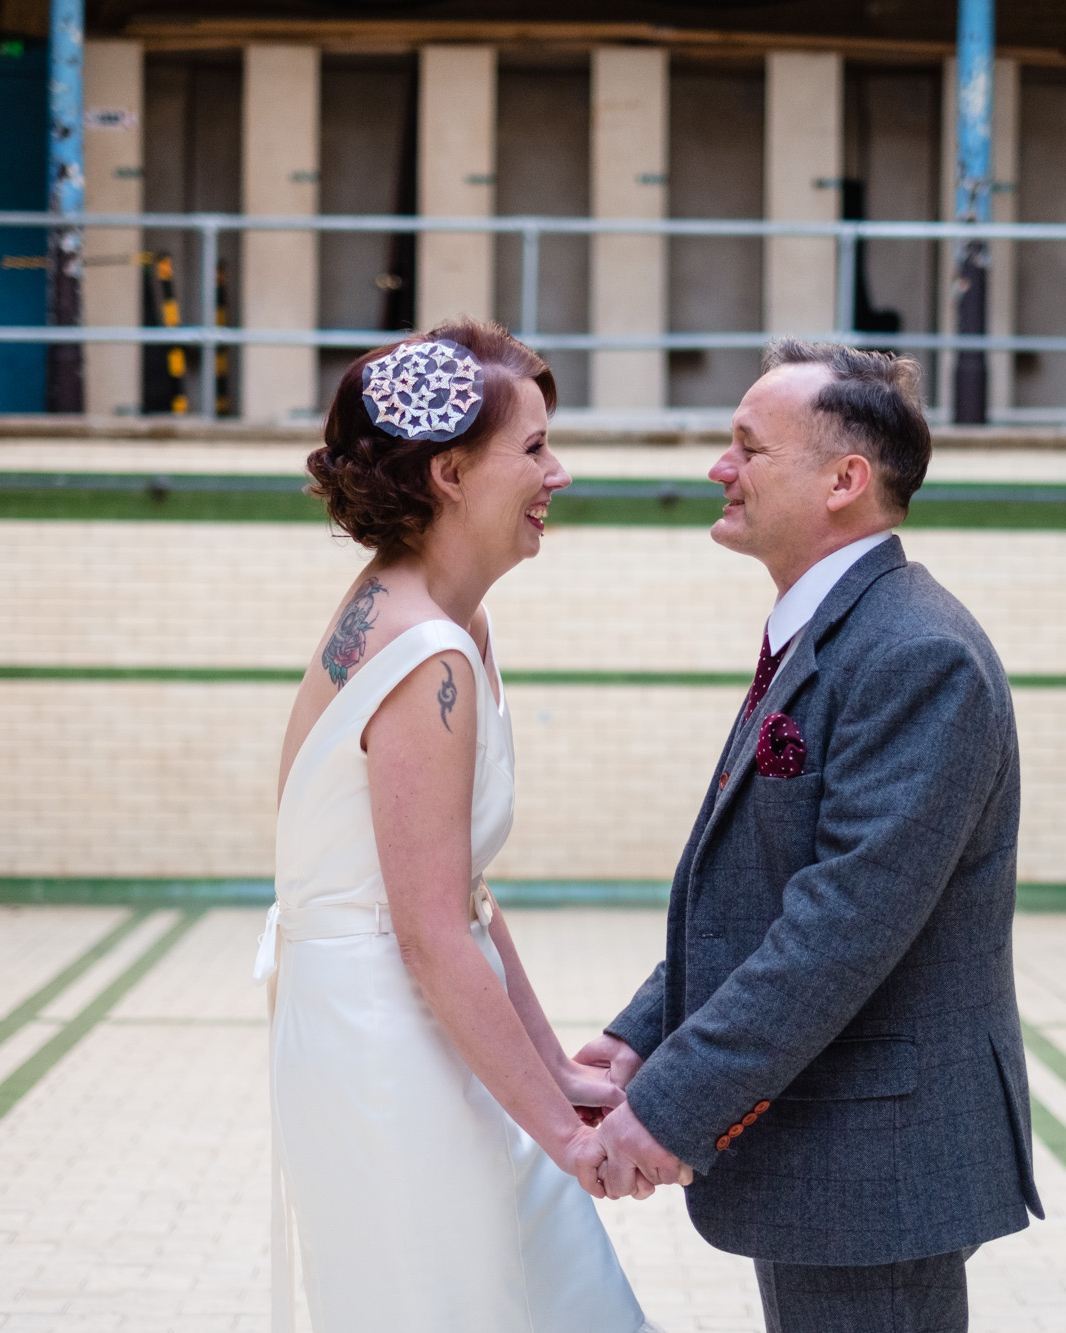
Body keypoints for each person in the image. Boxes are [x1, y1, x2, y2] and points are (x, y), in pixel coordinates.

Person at [574, 340, 1044, 1333]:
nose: (718, 467)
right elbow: (765, 882)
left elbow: (839, 924)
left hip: (875, 1153)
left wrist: (671, 1104)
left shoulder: (915, 654)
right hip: (825, 1139)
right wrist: (639, 1035)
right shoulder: (829, 631)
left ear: (844, 480)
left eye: (746, 446)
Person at [255, 320, 654, 1332]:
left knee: (551, 1296)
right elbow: (430, 931)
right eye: (531, 448)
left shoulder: (439, 617)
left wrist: (553, 1072)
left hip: (425, 1022)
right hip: (385, 1046)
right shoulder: (422, 650)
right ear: (448, 473)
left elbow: (464, 895)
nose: (556, 473)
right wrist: (563, 1138)